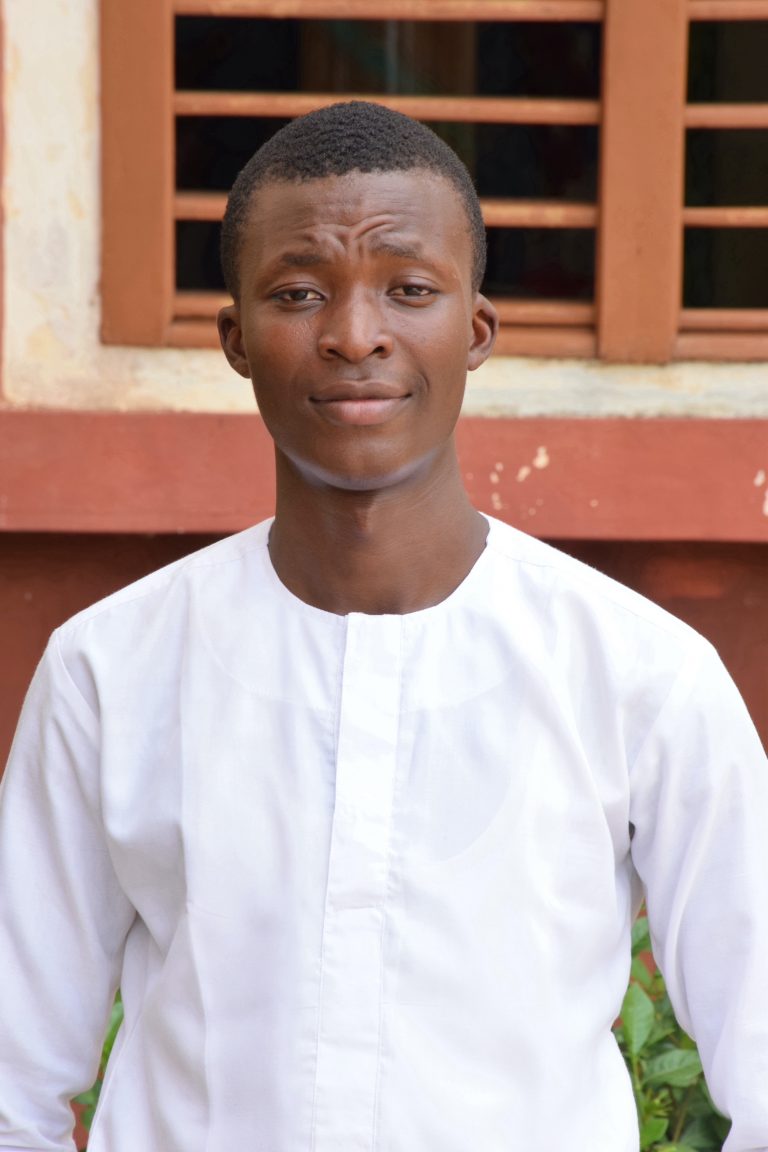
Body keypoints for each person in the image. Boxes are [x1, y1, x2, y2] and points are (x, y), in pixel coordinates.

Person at [0, 101, 766, 1152]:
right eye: (298, 293)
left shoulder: (641, 674)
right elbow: (12, 1080)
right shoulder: (109, 670)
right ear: (235, 339)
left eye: (409, 289)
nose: (355, 335)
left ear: (476, 330)